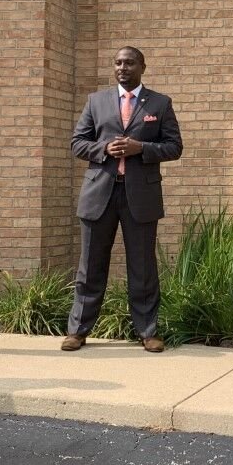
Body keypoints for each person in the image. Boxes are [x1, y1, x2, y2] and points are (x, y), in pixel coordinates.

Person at [62, 46, 182, 352]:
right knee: (90, 266)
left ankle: (148, 332)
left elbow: (174, 147)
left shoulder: (160, 103)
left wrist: (141, 148)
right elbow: (77, 143)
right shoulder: (96, 101)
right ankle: (77, 331)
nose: (122, 67)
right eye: (117, 63)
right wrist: (104, 149)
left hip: (140, 197)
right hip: (99, 192)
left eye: (129, 63)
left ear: (143, 66)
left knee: (143, 267)